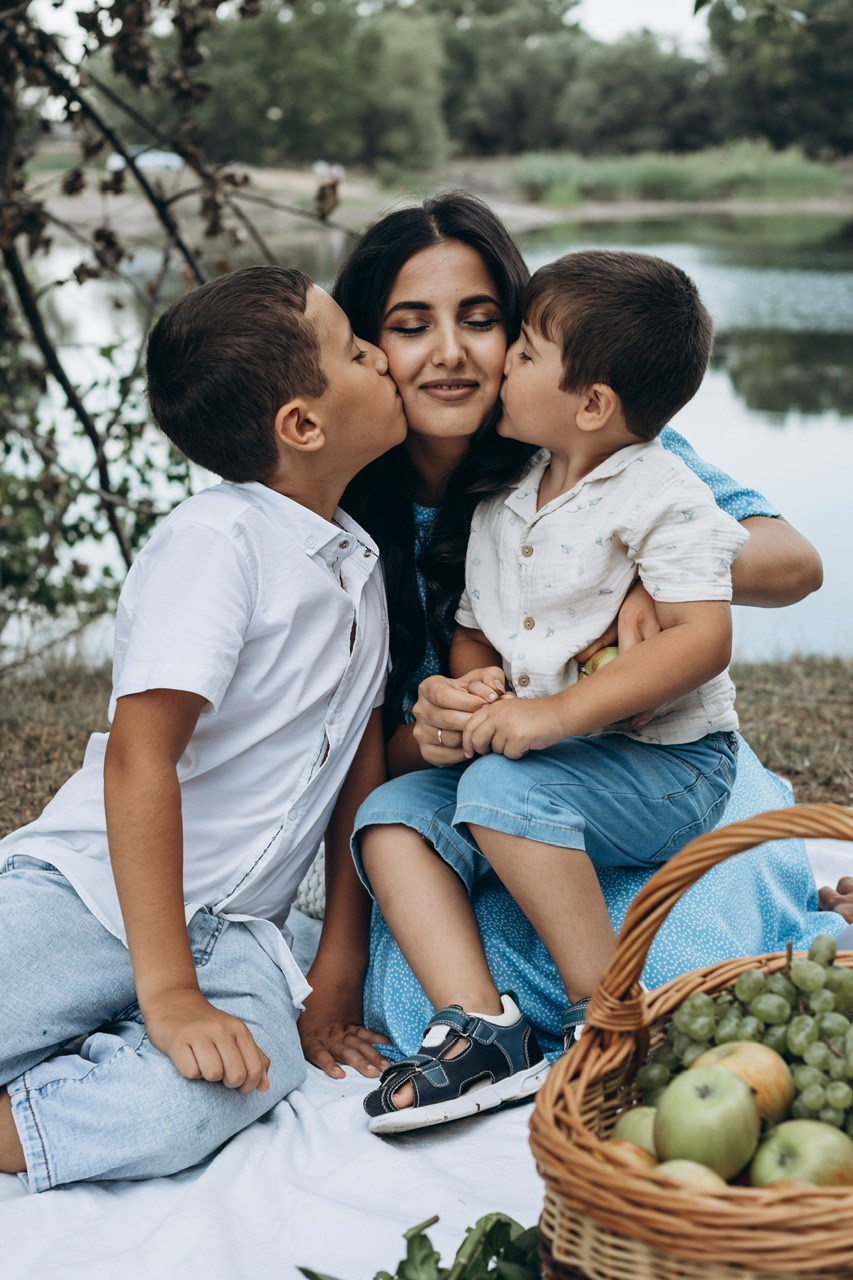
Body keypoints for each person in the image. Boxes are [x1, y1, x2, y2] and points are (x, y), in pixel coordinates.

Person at [297, 192, 841, 1086]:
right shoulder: (348, 501)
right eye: (408, 325)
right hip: (485, 794)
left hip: (646, 769)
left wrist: (635, 574)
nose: (450, 353)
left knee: (683, 963)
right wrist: (433, 729)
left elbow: (791, 562)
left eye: (480, 321)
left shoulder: (598, 446)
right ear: (366, 348)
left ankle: (629, 1009)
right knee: (418, 983)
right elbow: (366, 757)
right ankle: (495, 1032)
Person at [0, 265, 405, 1190]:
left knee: (235, 1084)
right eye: (354, 350)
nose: (381, 356)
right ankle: (121, 1018)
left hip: (237, 935)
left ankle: (37, 1116)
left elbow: (357, 770)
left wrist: (333, 972)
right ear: (301, 425)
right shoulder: (217, 539)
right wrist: (169, 991)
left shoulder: (357, 564)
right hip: (94, 895)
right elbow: (142, 755)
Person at [356, 247, 751, 1131]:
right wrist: (476, 684)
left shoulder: (661, 495)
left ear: (593, 403)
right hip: (550, 762)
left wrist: (554, 714)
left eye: (524, 351)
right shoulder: (509, 495)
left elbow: (703, 635)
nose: (504, 367)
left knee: (498, 789)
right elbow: (470, 628)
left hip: (666, 767)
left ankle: (606, 1017)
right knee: (392, 819)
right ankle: (482, 1028)